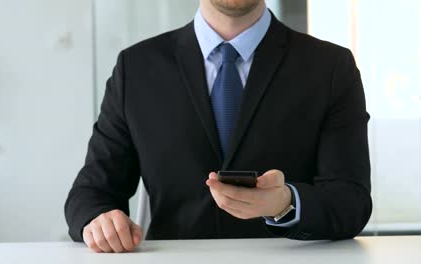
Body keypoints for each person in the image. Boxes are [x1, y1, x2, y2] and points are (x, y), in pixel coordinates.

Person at [65, 0, 372, 253]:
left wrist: (285, 203)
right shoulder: (136, 68)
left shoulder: (330, 67)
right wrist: (100, 220)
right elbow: (91, 193)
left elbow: (351, 202)